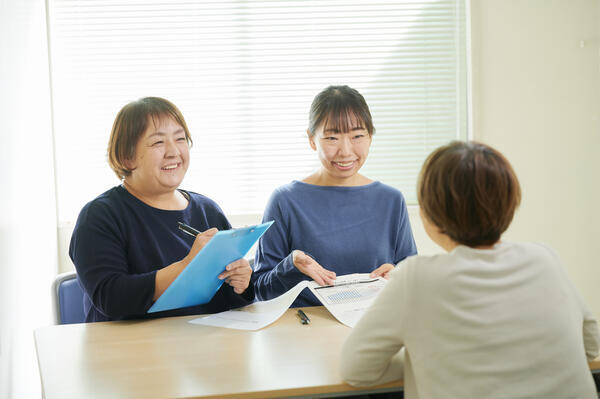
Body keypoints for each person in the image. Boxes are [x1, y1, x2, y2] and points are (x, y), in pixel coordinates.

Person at [340, 141, 600, 398]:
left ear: (430, 214)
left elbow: (356, 370)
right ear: (510, 204)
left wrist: (423, 362)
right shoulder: (545, 259)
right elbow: (591, 347)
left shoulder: (416, 278)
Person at [69, 97, 254, 322]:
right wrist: (186, 266)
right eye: (158, 143)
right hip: (128, 350)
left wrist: (240, 284)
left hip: (200, 344)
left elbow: (222, 300)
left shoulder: (208, 210)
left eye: (180, 138)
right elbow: (110, 297)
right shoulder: (100, 216)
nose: (174, 151)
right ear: (126, 157)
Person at [252, 85, 417, 306]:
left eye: (358, 136)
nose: (346, 151)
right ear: (312, 139)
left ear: (370, 137)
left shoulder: (391, 200)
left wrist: (397, 276)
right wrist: (290, 266)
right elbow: (261, 290)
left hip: (374, 326)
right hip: (305, 329)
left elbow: (413, 284)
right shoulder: (285, 200)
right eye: (332, 138)